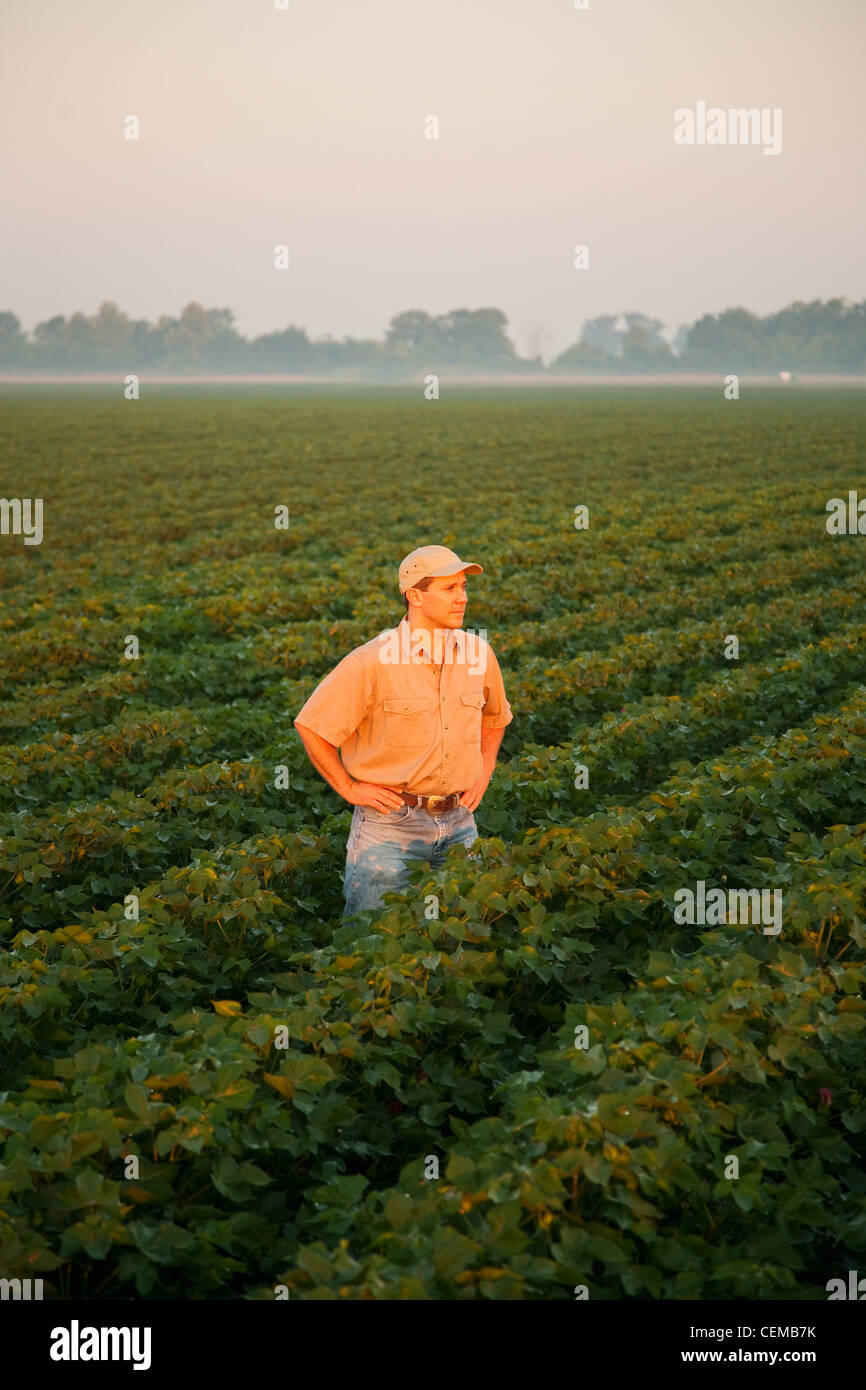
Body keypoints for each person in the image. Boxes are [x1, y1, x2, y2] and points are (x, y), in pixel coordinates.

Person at [293, 545, 513, 916]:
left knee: (461, 933)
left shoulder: (479, 653)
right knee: (374, 939)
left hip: (461, 822)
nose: (463, 598)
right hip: (390, 829)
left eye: (463, 587)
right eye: (449, 589)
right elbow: (312, 726)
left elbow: (495, 716)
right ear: (415, 596)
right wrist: (349, 787)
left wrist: (485, 767)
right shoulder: (371, 661)